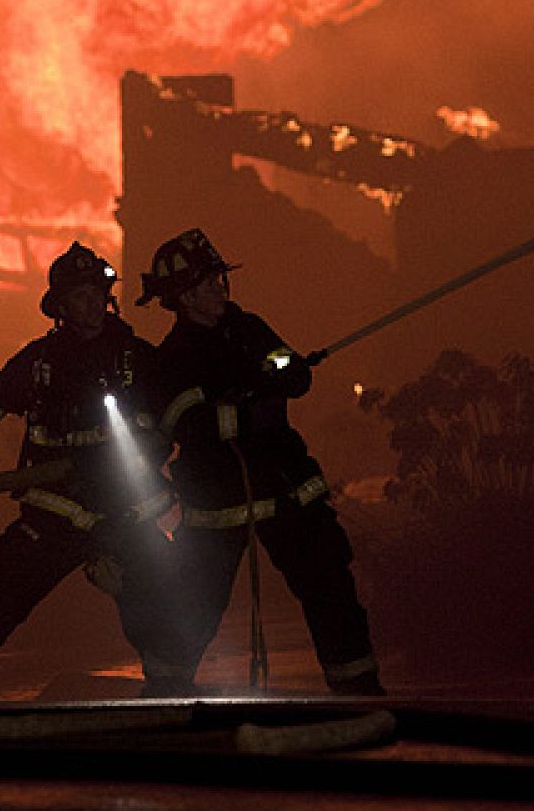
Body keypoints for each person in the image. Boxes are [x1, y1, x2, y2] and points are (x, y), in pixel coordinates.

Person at [0, 242, 190, 700]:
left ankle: (170, 689)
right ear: (60, 307)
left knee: (156, 598)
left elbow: (180, 418)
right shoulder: (39, 364)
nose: (93, 304)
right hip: (57, 509)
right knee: (8, 593)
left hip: (124, 512)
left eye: (98, 293)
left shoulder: (138, 359)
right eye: (80, 296)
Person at [139, 228, 384, 697]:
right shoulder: (171, 359)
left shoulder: (250, 328)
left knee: (330, 589)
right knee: (195, 602)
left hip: (284, 484)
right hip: (219, 499)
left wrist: (288, 370)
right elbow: (190, 424)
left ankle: (360, 694)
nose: (219, 288)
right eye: (209, 282)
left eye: (218, 279)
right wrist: (245, 401)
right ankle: (162, 696)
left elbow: (293, 377)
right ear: (185, 296)